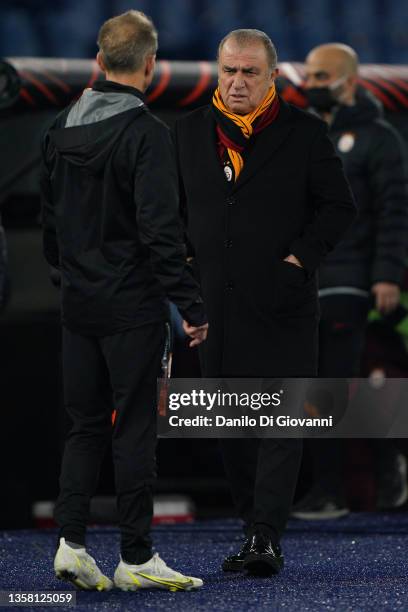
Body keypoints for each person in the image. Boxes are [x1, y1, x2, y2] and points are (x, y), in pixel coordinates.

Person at [173, 29, 356, 576]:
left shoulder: (304, 132)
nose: (236, 82)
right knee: (231, 425)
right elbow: (173, 214)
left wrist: (298, 261)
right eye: (228, 70)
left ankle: (266, 535)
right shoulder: (186, 133)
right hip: (215, 307)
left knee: (280, 422)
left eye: (250, 72)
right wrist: (184, 275)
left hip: (284, 305)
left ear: (273, 77)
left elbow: (338, 209)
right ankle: (254, 527)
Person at [40, 10, 208, 592]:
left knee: (84, 427)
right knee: (133, 430)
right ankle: (136, 555)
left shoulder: (59, 126)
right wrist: (191, 305)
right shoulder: (147, 134)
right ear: (152, 65)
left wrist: (72, 280)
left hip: (78, 306)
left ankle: (72, 544)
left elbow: (50, 229)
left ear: (98, 59)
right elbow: (163, 235)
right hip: (131, 307)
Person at [292, 43, 408, 520]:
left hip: (352, 278)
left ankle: (331, 490)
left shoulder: (379, 139)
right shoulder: (299, 134)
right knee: (334, 383)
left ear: (351, 81)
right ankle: (385, 467)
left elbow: (394, 212)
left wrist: (386, 275)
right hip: (305, 279)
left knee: (328, 384)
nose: (314, 86)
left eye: (323, 77)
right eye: (310, 78)